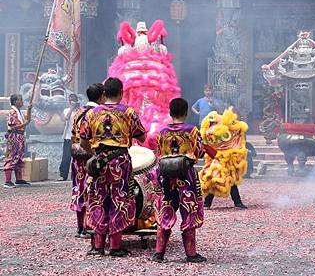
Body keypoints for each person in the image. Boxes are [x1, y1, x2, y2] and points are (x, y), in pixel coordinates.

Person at [80, 77, 147, 256]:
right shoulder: (128, 112)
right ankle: (116, 246)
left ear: (104, 93)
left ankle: (97, 245)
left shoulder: (92, 113)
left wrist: (94, 154)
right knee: (120, 199)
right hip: (121, 161)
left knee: (97, 199)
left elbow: (83, 140)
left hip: (99, 162)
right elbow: (141, 137)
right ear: (121, 92)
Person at [152, 98, 217, 263]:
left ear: (170, 112)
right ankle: (191, 253)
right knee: (189, 211)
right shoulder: (192, 130)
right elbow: (199, 152)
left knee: (165, 210)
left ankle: (159, 253)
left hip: (165, 177)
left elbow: (158, 153)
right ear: (186, 113)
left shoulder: (162, 132)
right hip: (186, 176)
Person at [69, 83, 105, 238]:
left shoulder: (79, 111)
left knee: (79, 187)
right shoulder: (97, 113)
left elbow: (73, 134)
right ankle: (89, 225)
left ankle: (80, 226)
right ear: (101, 96)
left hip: (77, 157)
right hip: (91, 156)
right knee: (92, 189)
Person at [200, 107, 248, 209]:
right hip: (216, 157)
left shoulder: (230, 128)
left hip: (226, 157)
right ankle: (208, 203)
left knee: (227, 179)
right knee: (213, 178)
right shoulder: (216, 128)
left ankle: (237, 202)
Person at [3, 94, 31, 188]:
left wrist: (29, 110)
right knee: (11, 156)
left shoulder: (19, 112)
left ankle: (18, 179)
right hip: (14, 136)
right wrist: (25, 124)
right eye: (20, 100)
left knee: (19, 157)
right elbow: (12, 127)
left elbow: (27, 120)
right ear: (15, 102)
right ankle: (7, 181)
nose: (22, 101)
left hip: (20, 136)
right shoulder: (12, 112)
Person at [59, 94, 80, 181]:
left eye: (73, 100)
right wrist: (71, 109)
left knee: (78, 157)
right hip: (68, 136)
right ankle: (63, 175)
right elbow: (65, 118)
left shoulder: (80, 111)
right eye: (70, 100)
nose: (72, 102)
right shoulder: (66, 110)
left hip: (77, 137)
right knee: (66, 157)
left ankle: (78, 175)